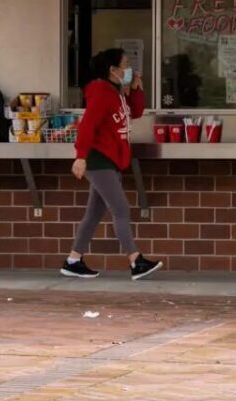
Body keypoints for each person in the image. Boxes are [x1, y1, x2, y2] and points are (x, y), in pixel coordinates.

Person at [62, 47, 163, 281]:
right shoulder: (100, 91)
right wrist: (80, 156)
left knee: (94, 213)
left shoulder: (116, 92)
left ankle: (73, 261)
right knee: (121, 209)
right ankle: (136, 261)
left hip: (112, 159)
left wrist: (135, 89)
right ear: (113, 69)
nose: (129, 68)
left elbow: (135, 112)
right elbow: (88, 124)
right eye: (125, 64)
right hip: (99, 159)